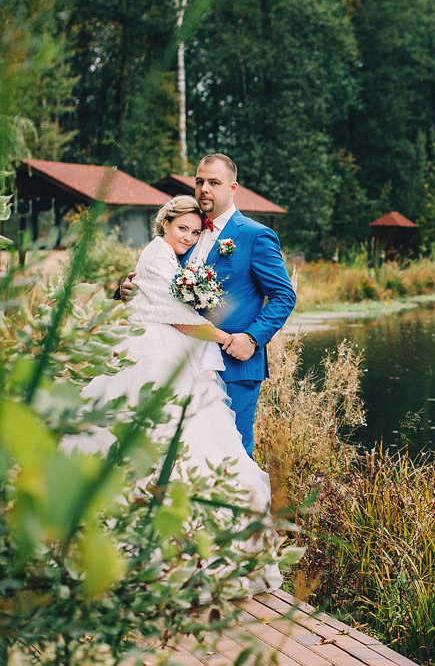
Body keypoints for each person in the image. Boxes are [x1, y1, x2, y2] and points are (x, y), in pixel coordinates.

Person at [76, 195, 282, 593]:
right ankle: (162, 554)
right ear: (164, 225)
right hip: (156, 355)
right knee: (168, 440)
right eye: (180, 228)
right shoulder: (158, 254)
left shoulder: (227, 242)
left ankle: (183, 550)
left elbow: (278, 295)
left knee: (196, 442)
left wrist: (247, 336)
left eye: (193, 230)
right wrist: (224, 336)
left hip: (182, 353)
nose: (187, 236)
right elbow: (178, 315)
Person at [120, 154, 295, 455]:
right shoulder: (189, 232)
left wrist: (252, 338)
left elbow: (284, 295)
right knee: (190, 455)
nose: (204, 189)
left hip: (234, 363)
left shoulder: (255, 235)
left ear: (232, 187)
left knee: (233, 456)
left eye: (214, 182)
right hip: (185, 365)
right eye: (199, 181)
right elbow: (162, 283)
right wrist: (125, 289)